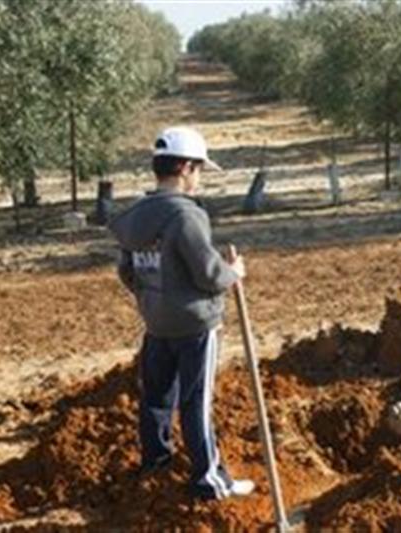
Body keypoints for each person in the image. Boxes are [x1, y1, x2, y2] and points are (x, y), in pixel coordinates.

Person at [109, 126, 254, 500]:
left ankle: (156, 463)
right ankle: (210, 480)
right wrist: (233, 273)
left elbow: (127, 271)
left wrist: (151, 298)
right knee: (196, 402)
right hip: (196, 327)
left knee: (156, 398)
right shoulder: (187, 216)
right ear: (186, 168)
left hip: (156, 323)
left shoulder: (136, 216)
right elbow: (208, 274)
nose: (199, 178)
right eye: (200, 169)